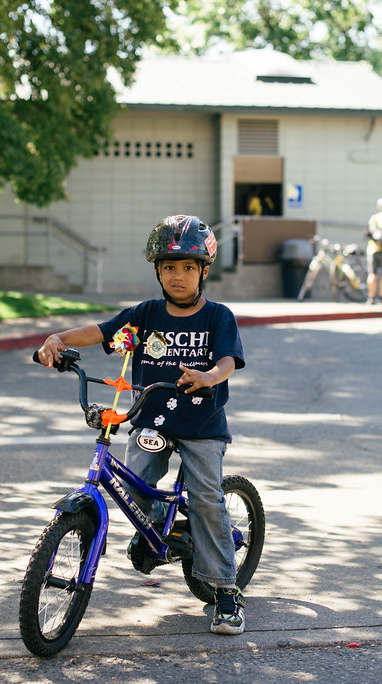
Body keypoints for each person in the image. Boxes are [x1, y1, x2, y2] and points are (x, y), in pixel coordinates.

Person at [35, 214, 248, 635]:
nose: (178, 276)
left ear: (204, 271)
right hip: (152, 418)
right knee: (134, 482)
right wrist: (56, 338)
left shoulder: (218, 316)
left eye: (188, 267)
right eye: (169, 267)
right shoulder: (146, 314)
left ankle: (225, 590)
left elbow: (227, 361)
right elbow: (99, 332)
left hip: (201, 424)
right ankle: (152, 532)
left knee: (206, 497)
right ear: (157, 271)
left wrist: (209, 377)